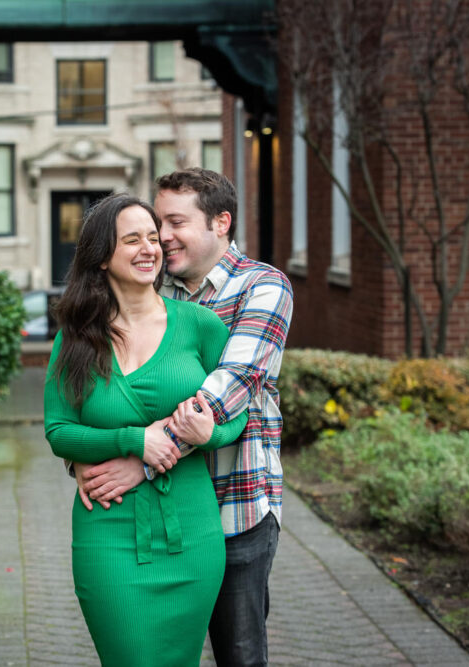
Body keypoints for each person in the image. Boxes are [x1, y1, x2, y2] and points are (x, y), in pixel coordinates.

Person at [74, 169, 294, 667]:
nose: (162, 237)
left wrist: (140, 460)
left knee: (239, 655)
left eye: (174, 223)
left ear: (221, 222)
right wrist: (90, 453)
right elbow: (107, 393)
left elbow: (223, 394)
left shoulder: (263, 287)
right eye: (157, 224)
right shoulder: (154, 289)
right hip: (153, 516)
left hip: (232, 510)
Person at [44, 192, 248, 666]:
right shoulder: (75, 337)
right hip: (107, 531)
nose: (149, 249)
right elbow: (58, 431)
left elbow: (236, 417)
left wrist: (207, 434)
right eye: (131, 239)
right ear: (101, 258)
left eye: (153, 238)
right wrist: (135, 440)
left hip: (192, 533)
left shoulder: (199, 325)